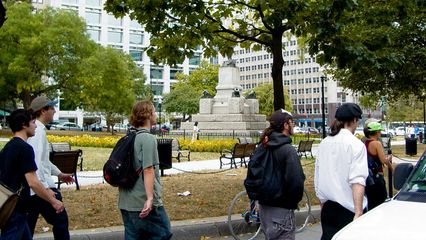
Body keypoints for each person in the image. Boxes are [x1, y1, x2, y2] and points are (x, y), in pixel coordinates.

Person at [0, 109, 64, 240]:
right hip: (15, 208)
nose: (35, 126)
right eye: (33, 122)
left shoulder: (9, 147)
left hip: (9, 205)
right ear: (24, 124)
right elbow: (33, 182)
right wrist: (53, 201)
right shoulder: (25, 149)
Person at [118, 100, 172, 240]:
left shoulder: (130, 137)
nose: (155, 115)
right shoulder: (148, 139)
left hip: (125, 201)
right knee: (163, 233)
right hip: (142, 202)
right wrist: (150, 199)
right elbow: (148, 170)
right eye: (154, 111)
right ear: (148, 115)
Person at [314, 103, 368, 240]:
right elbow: (357, 180)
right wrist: (358, 212)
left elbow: (318, 177)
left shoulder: (324, 143)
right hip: (349, 208)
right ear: (355, 120)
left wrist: (322, 203)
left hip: (329, 206)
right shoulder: (356, 145)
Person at [27, 96, 74, 239]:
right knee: (60, 220)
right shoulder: (37, 132)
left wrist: (59, 174)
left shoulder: (38, 130)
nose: (54, 110)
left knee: (27, 226)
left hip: (36, 189)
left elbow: (44, 161)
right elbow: (35, 164)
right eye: (52, 107)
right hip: (41, 188)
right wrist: (46, 190)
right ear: (43, 110)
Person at [257, 109, 305, 240]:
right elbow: (296, 182)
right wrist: (292, 202)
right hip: (282, 209)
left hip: (264, 208)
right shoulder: (288, 150)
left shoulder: (264, 146)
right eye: (292, 122)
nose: (294, 125)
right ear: (285, 125)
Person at [364, 122, 393, 210]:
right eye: (380, 131)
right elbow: (383, 160)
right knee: (381, 204)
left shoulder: (365, 143)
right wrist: (389, 158)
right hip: (377, 177)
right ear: (377, 132)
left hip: (369, 178)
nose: (380, 133)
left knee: (371, 203)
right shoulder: (376, 143)